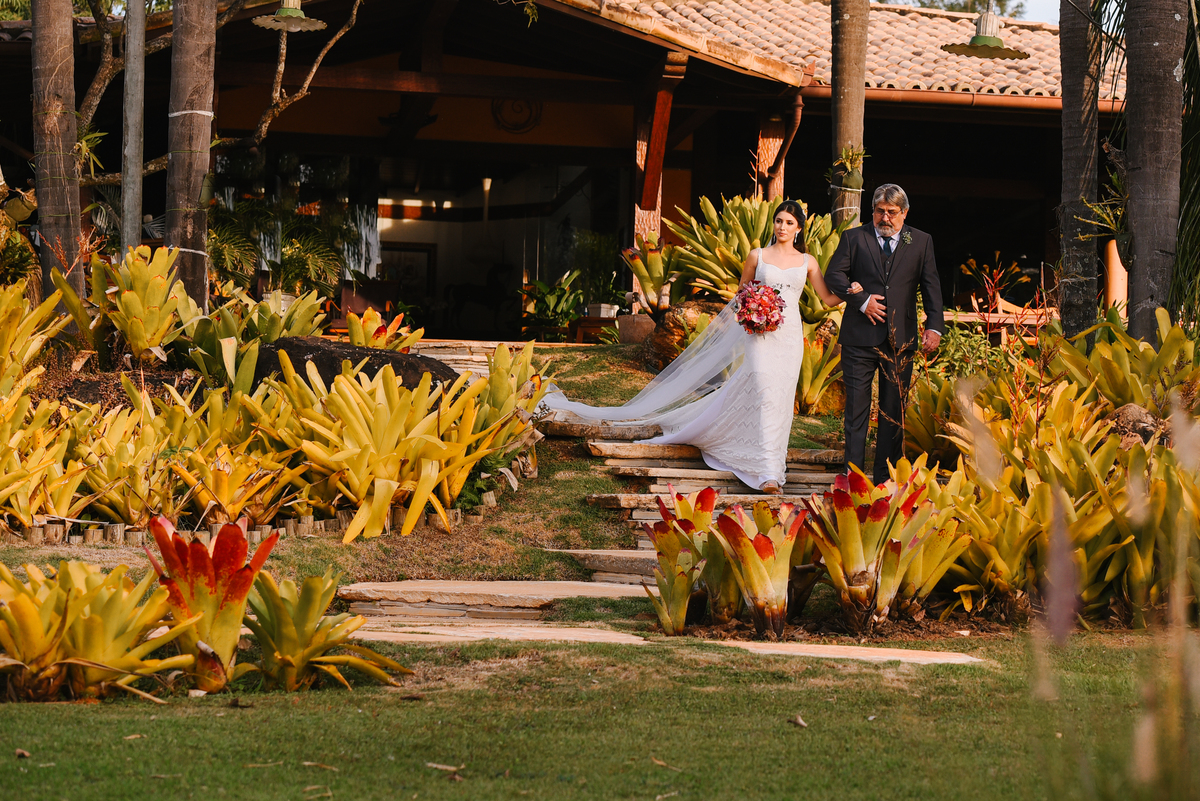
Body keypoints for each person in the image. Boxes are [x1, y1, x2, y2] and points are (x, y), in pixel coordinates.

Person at [542, 200, 850, 493]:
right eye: (779, 221)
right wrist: (755, 309)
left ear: (799, 229)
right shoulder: (757, 256)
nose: (782, 227)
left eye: (789, 223)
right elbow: (742, 294)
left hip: (789, 337)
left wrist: (854, 292)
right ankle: (767, 472)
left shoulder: (807, 262)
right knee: (762, 389)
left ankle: (771, 466)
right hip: (759, 335)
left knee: (780, 399)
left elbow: (826, 299)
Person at [823, 184, 945, 485]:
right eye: (880, 211)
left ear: (904, 213)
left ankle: (884, 481)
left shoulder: (921, 241)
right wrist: (862, 300)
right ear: (873, 211)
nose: (885, 218)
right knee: (856, 412)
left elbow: (931, 286)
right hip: (858, 339)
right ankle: (853, 478)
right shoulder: (854, 238)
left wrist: (934, 326)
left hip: (900, 340)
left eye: (892, 212)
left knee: (893, 412)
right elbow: (834, 275)